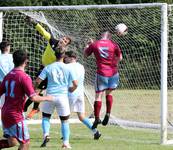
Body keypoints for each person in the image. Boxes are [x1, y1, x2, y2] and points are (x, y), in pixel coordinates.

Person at [0, 50, 53, 150]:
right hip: (15, 115)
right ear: (26, 61)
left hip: (5, 112)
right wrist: (48, 98)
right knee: (25, 143)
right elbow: (33, 98)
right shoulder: (24, 77)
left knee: (12, 142)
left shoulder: (8, 76)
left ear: (13, 61)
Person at [24, 17, 72, 119]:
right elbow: (43, 32)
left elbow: (64, 64)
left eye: (65, 41)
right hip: (42, 68)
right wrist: (35, 23)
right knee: (36, 91)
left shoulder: (63, 53)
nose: (62, 40)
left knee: (35, 91)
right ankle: (34, 109)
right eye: (63, 39)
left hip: (49, 73)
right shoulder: (53, 41)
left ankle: (26, 108)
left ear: (66, 45)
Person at [36, 49, 78, 149]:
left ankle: (46, 134)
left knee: (46, 117)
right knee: (64, 121)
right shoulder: (68, 68)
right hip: (62, 97)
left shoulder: (48, 67)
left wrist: (34, 89)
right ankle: (66, 143)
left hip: (49, 96)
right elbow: (76, 84)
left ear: (55, 55)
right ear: (64, 56)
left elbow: (38, 81)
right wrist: (71, 89)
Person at [84, 31, 122, 129]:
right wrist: (114, 64)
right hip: (113, 73)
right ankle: (108, 113)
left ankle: (97, 118)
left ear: (101, 35)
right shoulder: (114, 44)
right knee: (109, 94)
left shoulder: (95, 44)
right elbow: (120, 58)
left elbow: (85, 55)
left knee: (98, 96)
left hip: (101, 72)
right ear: (109, 37)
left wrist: (88, 46)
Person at [64, 51, 101, 140]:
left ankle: (65, 136)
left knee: (65, 116)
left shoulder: (66, 67)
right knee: (82, 116)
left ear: (70, 58)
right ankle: (95, 131)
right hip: (80, 93)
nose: (64, 59)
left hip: (70, 93)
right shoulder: (81, 66)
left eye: (66, 57)